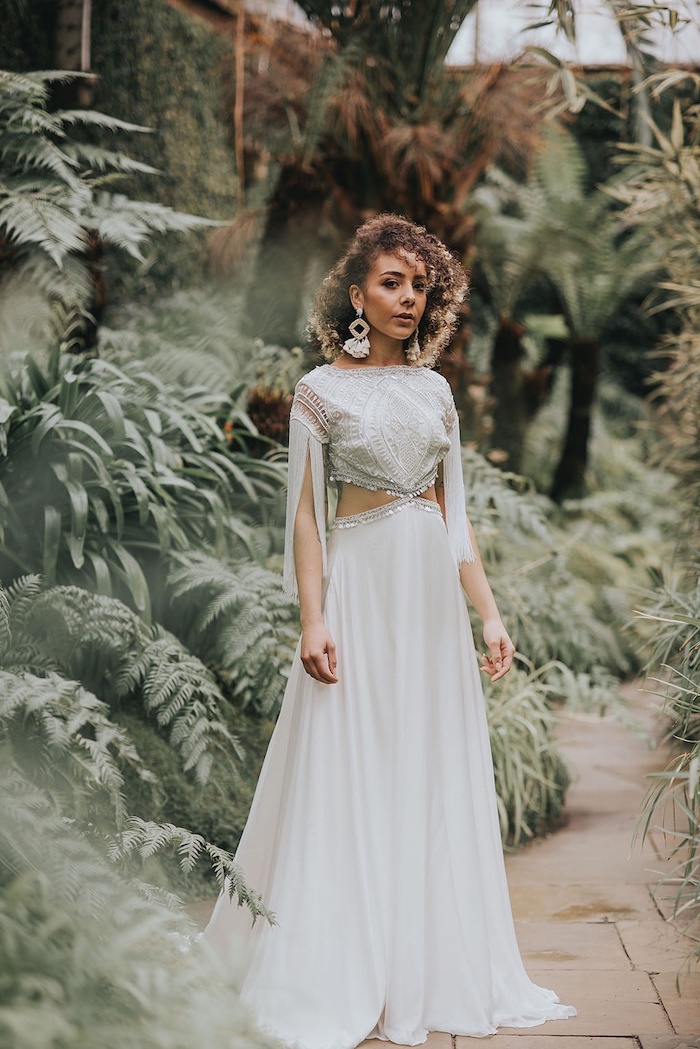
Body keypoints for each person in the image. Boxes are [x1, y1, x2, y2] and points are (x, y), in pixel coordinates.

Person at [203, 215, 576, 1048]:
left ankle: (421, 962)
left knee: (424, 764)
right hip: (360, 585)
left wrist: (489, 612)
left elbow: (455, 517)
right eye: (393, 283)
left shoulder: (435, 389)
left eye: (420, 285)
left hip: (428, 601)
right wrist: (313, 615)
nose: (409, 298)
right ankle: (339, 965)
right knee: (349, 760)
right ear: (357, 294)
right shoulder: (317, 392)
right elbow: (304, 516)